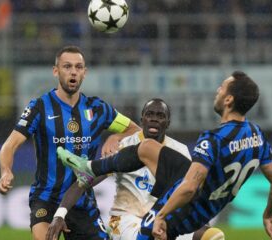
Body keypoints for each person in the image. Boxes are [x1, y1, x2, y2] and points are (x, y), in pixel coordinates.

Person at [58, 71, 272, 240]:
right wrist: (268, 215)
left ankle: (92, 170)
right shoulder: (257, 135)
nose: (218, 90)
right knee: (147, 148)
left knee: (197, 234)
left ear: (228, 100)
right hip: (198, 200)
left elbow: (188, 188)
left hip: (183, 209)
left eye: (222, 88)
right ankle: (89, 167)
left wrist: (161, 216)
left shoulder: (213, 139)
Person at [0, 45, 140, 240]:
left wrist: (114, 136)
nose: (73, 72)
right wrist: (6, 170)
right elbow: (10, 145)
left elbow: (135, 130)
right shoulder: (39, 107)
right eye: (67, 66)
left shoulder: (98, 109)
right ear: (56, 71)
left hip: (82, 201)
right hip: (47, 199)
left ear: (84, 72)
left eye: (78, 67)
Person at [47, 98, 204, 240]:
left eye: (160, 115)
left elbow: (188, 189)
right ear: (142, 119)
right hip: (124, 220)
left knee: (212, 236)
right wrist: (59, 215)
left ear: (168, 122)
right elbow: (84, 181)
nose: (154, 119)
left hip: (160, 219)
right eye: (150, 114)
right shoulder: (123, 147)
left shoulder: (180, 150)